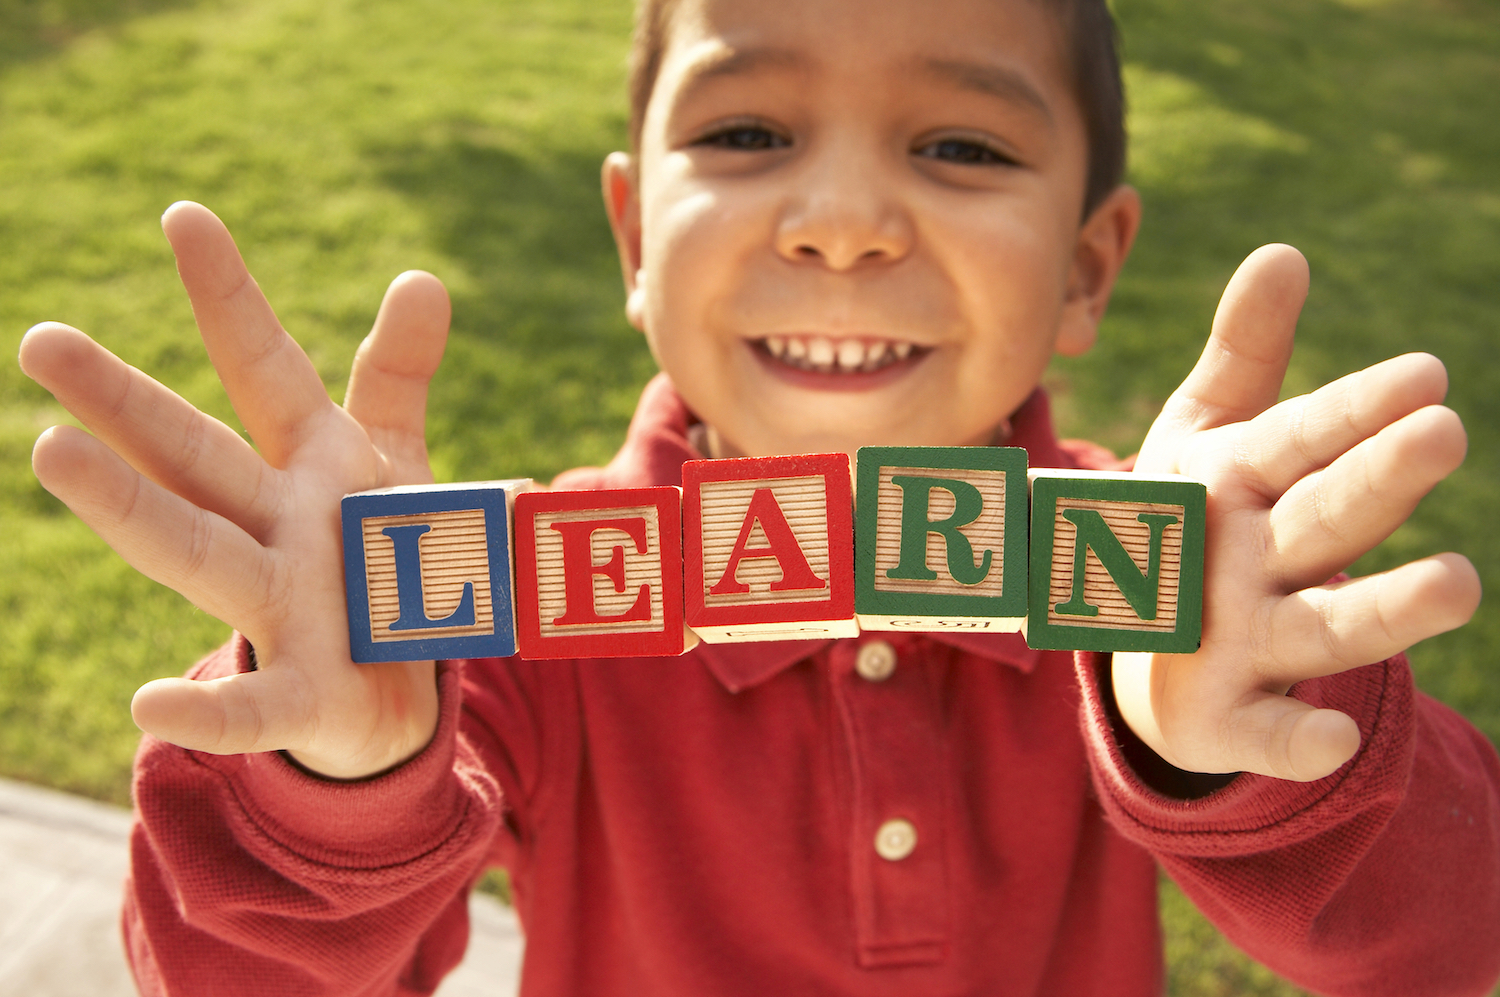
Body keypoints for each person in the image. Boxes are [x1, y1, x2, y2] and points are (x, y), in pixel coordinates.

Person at [17, 0, 1500, 993]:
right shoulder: (496, 622)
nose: (844, 223)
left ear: (1089, 269)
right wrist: (329, 779)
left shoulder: (1175, 594)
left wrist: (1265, 753)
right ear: (634, 241)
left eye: (961, 145)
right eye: (746, 133)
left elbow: (1459, 932)